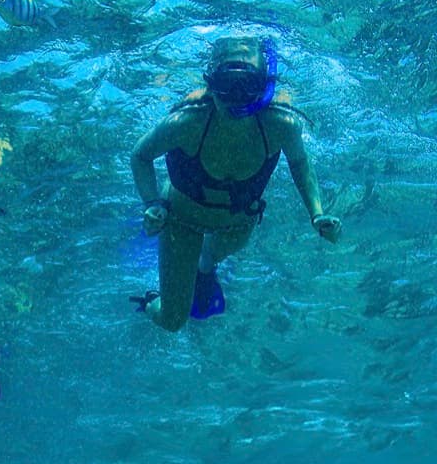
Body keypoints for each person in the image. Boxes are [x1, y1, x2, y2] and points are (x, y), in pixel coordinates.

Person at [129, 34, 342, 329]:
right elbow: (140, 155)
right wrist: (152, 204)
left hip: (237, 227)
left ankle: (204, 266)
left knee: (209, 259)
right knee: (172, 321)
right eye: (227, 85)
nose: (237, 98)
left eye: (248, 85)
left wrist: (317, 213)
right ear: (210, 84)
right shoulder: (187, 124)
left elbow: (299, 162)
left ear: (264, 86)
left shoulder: (281, 125)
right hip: (182, 222)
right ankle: (153, 300)